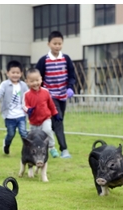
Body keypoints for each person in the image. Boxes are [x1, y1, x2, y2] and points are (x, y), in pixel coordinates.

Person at [35, 30, 76, 159]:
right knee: (58, 122)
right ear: (49, 44)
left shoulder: (66, 59)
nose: (57, 46)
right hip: (50, 97)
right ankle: (64, 149)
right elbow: (37, 77)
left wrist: (70, 87)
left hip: (63, 96)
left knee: (54, 123)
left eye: (59, 43)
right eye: (55, 43)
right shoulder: (44, 60)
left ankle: (45, 144)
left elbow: (72, 75)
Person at [0, 60, 29, 155]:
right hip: (9, 116)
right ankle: (6, 144)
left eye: (17, 73)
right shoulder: (5, 84)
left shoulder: (23, 85)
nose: (15, 75)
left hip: (21, 115)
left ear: (21, 73)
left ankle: (27, 150)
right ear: (8, 73)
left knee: (24, 133)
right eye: (13, 72)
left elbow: (28, 96)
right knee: (11, 134)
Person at [23, 68, 61, 156]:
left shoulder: (46, 92)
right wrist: (28, 109)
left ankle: (52, 147)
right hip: (33, 121)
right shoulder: (26, 94)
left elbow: (51, 104)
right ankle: (34, 151)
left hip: (45, 118)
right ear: (27, 82)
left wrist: (55, 113)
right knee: (34, 136)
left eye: (37, 80)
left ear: (41, 79)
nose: (35, 83)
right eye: (32, 81)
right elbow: (24, 106)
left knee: (47, 130)